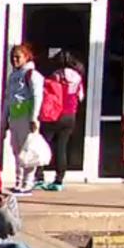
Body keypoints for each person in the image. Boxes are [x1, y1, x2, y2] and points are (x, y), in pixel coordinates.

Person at [38, 52, 86, 192]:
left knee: (44, 144)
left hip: (54, 113)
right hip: (70, 115)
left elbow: (48, 93)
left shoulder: (56, 75)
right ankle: (59, 180)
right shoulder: (78, 77)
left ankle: (39, 175)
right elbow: (81, 97)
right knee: (62, 147)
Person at [4, 44, 44, 196]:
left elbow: (37, 96)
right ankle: (18, 182)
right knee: (16, 150)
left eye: (18, 57)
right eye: (12, 57)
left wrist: (34, 117)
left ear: (26, 57)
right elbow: (8, 99)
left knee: (27, 151)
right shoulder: (13, 76)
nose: (14, 60)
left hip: (26, 117)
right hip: (15, 116)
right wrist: (4, 120)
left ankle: (28, 183)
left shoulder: (32, 75)